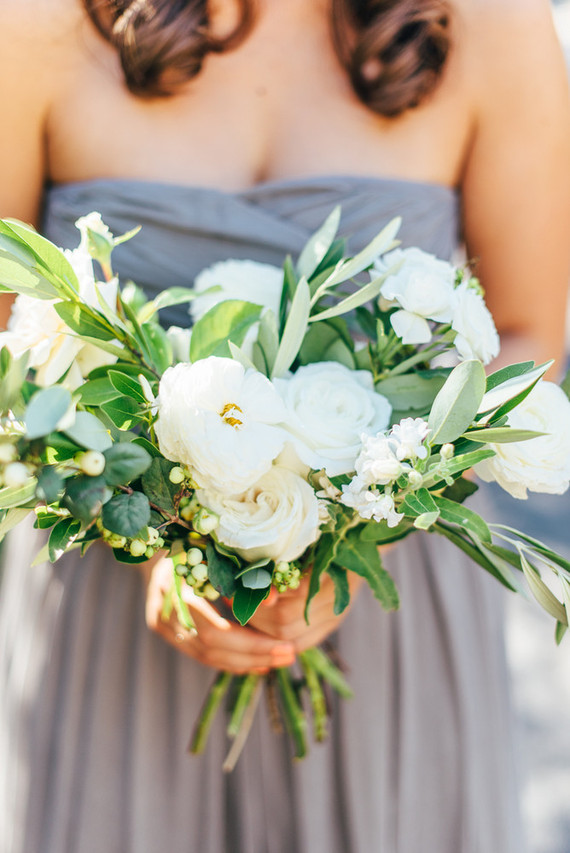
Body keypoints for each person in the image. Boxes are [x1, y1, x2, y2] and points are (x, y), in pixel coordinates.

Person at [0, 1, 569, 851]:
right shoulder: (35, 25)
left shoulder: (495, 23)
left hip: (390, 620)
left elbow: (524, 333)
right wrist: (163, 531)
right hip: (110, 611)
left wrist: (344, 531)